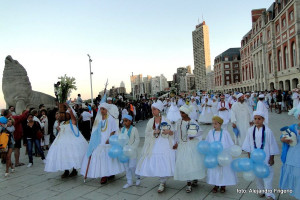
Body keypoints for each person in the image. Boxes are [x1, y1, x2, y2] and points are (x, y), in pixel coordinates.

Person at [136, 100, 175, 193]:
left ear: (159, 110)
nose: (152, 111)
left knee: (164, 161)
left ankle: (163, 181)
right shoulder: (150, 121)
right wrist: (153, 132)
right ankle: (161, 180)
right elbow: (146, 133)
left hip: (164, 143)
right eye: (152, 109)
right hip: (154, 143)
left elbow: (172, 131)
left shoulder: (166, 120)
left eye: (154, 109)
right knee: (156, 162)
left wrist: (168, 132)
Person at [81, 103, 125, 184]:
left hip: (108, 140)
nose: (102, 111)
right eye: (101, 109)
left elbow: (113, 129)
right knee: (101, 156)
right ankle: (103, 175)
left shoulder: (110, 119)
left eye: (103, 109)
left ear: (107, 110)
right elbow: (96, 130)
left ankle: (110, 172)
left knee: (109, 157)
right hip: (100, 140)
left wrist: (110, 138)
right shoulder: (99, 119)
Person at [242, 111, 279, 200]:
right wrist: (249, 156)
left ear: (263, 119)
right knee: (257, 174)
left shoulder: (268, 131)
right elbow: (248, 144)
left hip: (266, 156)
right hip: (254, 157)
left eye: (259, 119)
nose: (257, 121)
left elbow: (272, 144)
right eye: (255, 119)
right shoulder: (250, 130)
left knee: (267, 175)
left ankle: (269, 194)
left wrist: (272, 157)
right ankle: (261, 190)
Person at [45, 104, 88, 178]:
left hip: (72, 142)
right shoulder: (62, 123)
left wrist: (69, 108)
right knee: (64, 155)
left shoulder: (72, 122)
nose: (67, 115)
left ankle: (74, 170)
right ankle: (66, 170)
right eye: (66, 114)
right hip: (63, 142)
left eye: (68, 115)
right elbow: (59, 128)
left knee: (73, 154)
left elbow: (73, 118)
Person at [173, 105, 205, 193]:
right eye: (180, 113)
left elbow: (200, 131)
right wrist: (176, 143)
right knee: (185, 163)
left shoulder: (192, 121)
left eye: (183, 113)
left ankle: (194, 178)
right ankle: (188, 183)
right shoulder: (178, 122)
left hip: (191, 145)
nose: (181, 114)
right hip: (182, 145)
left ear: (187, 113)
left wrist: (193, 135)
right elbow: (176, 133)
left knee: (192, 163)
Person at [206, 116, 237, 193]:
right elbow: (207, 142)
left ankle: (223, 185)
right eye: (213, 124)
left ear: (220, 124)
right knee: (215, 170)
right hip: (213, 155)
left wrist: (229, 152)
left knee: (224, 170)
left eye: (216, 124)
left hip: (223, 155)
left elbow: (230, 144)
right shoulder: (210, 132)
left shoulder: (225, 133)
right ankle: (216, 184)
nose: (214, 125)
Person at [279, 105, 300, 200]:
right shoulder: (293, 127)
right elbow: (282, 137)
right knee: (295, 176)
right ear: (298, 116)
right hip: (293, 157)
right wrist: (283, 139)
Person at [121, 114, 141, 189]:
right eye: (123, 121)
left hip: (132, 151)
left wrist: (132, 148)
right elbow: (120, 139)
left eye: (126, 121)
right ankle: (129, 181)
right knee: (126, 167)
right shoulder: (122, 130)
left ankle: (137, 178)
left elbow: (137, 139)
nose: (124, 123)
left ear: (130, 121)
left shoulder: (134, 129)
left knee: (132, 166)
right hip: (124, 151)